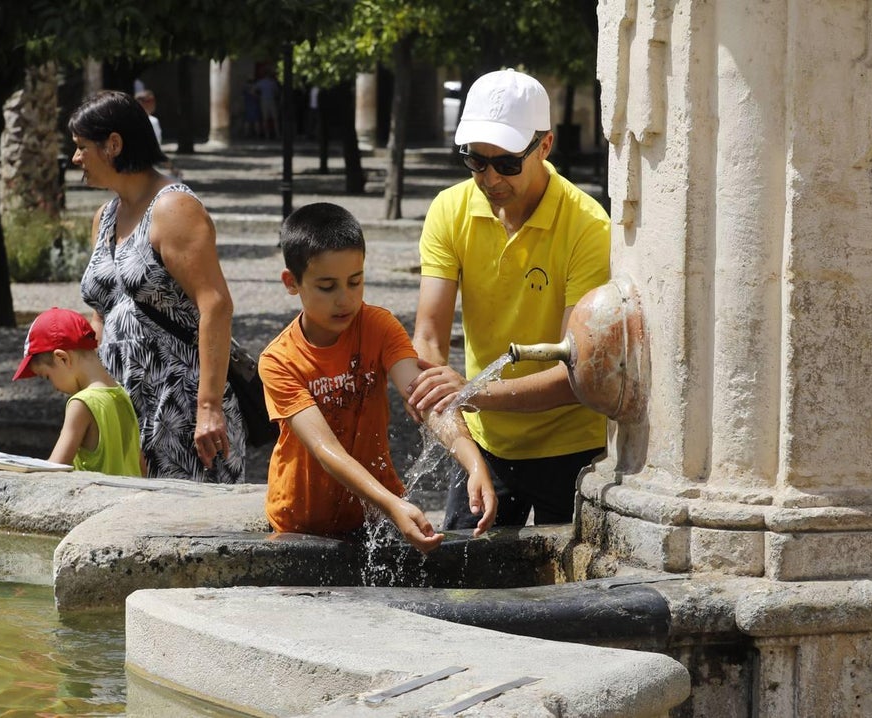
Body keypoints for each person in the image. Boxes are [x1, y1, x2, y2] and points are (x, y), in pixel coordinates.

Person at [407, 69, 611, 530]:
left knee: (572, 598)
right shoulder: (449, 209)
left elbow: (576, 371)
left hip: (571, 448)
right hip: (485, 440)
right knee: (462, 592)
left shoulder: (588, 226)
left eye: (507, 164)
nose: (490, 177)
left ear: (545, 146)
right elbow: (427, 337)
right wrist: (438, 402)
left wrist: (470, 393)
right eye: (476, 162)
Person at [260, 202, 497, 553]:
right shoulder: (279, 360)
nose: (346, 299)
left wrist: (473, 462)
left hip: (371, 516)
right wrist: (392, 504)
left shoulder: (379, 327)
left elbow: (425, 398)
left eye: (355, 282)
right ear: (291, 282)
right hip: (299, 522)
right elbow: (326, 450)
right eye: (327, 286)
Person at [70, 90, 245, 483]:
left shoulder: (173, 208)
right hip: (122, 411)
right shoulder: (106, 216)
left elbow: (215, 305)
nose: (75, 158)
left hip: (181, 411)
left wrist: (208, 406)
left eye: (82, 147)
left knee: (191, 536)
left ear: (113, 145)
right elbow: (102, 313)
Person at [12, 307, 144, 475]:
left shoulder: (81, 404)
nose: (53, 386)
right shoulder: (122, 394)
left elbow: (53, 471)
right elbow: (141, 464)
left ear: (62, 358)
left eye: (47, 376)